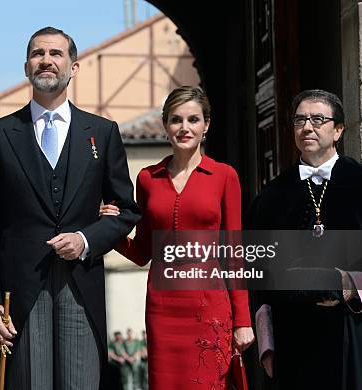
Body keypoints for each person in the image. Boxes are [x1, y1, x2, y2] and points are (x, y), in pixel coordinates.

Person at [0, 26, 141, 389]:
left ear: (73, 67)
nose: (46, 60)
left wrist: (86, 238)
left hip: (82, 283)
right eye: (38, 54)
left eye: (56, 54)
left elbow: (126, 210)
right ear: (26, 66)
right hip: (20, 291)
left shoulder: (103, 131)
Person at [101, 85, 254, 389]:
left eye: (193, 120)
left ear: (206, 125)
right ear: (165, 125)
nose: (184, 128)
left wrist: (243, 320)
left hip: (210, 307)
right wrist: (113, 231)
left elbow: (234, 252)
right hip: (163, 311)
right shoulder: (147, 178)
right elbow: (143, 251)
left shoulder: (225, 176)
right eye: (176, 120)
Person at [248, 89, 362, 390]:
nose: (307, 127)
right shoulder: (272, 195)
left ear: (338, 130)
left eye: (318, 119)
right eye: (300, 120)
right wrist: (267, 346)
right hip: (295, 336)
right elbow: (259, 280)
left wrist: (342, 284)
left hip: (354, 332)